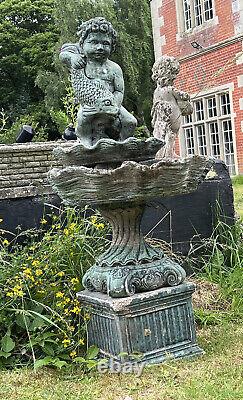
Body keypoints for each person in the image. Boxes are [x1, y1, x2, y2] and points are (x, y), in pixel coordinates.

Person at [60, 17, 137, 146]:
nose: (100, 47)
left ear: (112, 46)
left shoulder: (114, 68)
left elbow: (119, 90)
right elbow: (63, 54)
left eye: (105, 43)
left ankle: (122, 144)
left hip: (111, 104)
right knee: (82, 119)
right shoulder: (82, 63)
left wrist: (115, 106)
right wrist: (72, 57)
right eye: (94, 42)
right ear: (82, 45)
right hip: (88, 105)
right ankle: (86, 144)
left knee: (131, 122)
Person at [151, 55, 193, 159]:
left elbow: (155, 106)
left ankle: (163, 154)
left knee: (162, 136)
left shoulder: (156, 91)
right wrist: (185, 96)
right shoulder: (170, 89)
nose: (174, 77)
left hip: (161, 119)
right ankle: (169, 154)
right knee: (171, 135)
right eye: (174, 74)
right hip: (171, 116)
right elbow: (181, 96)